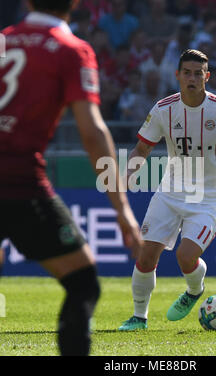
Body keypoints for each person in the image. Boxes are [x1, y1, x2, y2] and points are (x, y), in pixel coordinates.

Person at [0, 0, 142, 355]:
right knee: (82, 284)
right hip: (18, 183)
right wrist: (121, 208)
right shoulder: (72, 50)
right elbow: (92, 133)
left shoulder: (4, 39)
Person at [118, 49, 216, 331]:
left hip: (208, 198)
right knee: (145, 255)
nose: (192, 78)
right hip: (169, 192)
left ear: (207, 77)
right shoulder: (164, 109)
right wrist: (127, 175)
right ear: (177, 76)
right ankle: (139, 317)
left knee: (185, 257)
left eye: (198, 73)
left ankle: (195, 289)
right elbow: (143, 147)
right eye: (187, 73)